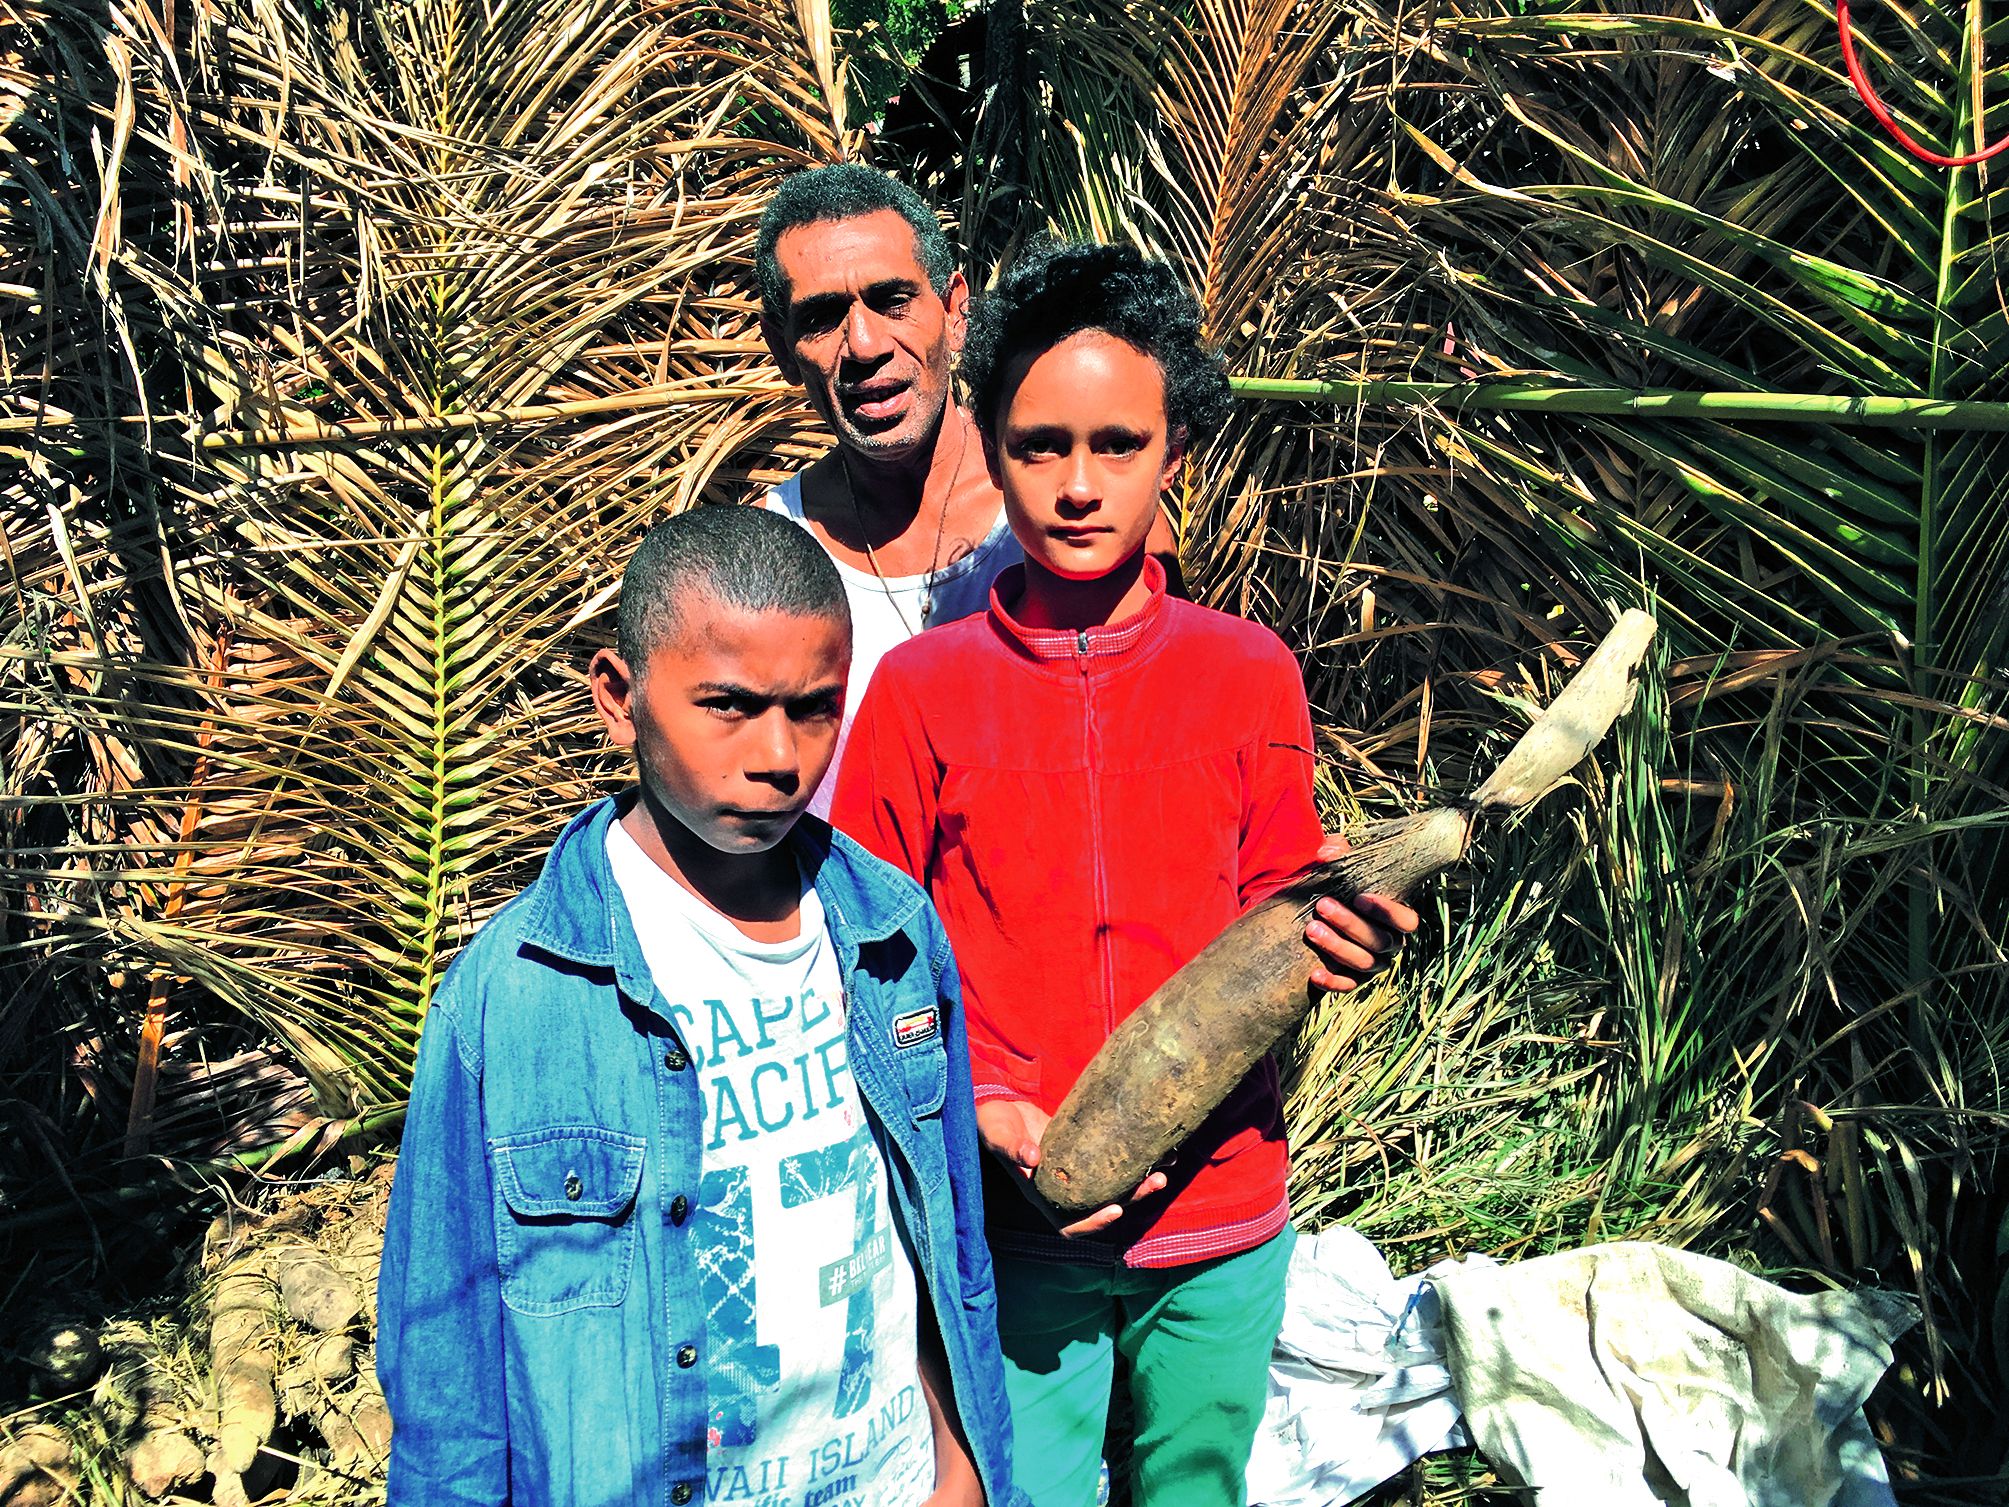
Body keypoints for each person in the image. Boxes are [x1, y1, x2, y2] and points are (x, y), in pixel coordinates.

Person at [830, 242, 1420, 1507]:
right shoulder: (923, 691)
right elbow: (870, 945)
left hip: (1218, 1216)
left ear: (1172, 452)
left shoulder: (1246, 671)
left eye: (1118, 444)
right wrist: (983, 1105)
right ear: (987, 448)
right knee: (1024, 1484)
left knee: (1192, 1484)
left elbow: (1277, 894)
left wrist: (1341, 931)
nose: (1078, 485)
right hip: (1016, 1222)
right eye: (1040, 445)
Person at [377, 506, 1021, 1507]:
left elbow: (945, 1247)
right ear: (618, 697)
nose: (779, 756)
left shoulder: (889, 931)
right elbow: (445, 1378)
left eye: (813, 706)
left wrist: (963, 1465)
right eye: (728, 704)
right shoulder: (514, 998)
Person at [755, 164, 1180, 819]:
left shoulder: (1084, 516)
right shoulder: (764, 559)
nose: (864, 344)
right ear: (782, 349)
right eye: (822, 317)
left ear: (955, 313)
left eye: (892, 300)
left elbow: (1176, 759)